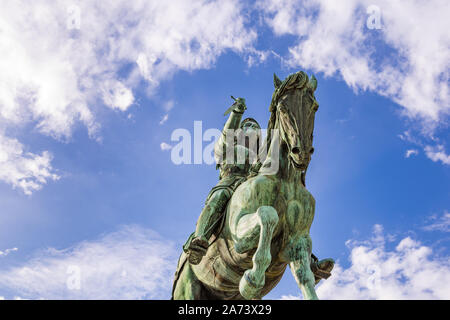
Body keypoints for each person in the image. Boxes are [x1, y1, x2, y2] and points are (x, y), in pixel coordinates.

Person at [184, 97, 261, 265]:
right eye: (248, 125)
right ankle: (200, 240)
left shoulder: (262, 156)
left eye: (256, 127)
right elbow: (228, 132)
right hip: (229, 183)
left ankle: (303, 257)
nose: (253, 128)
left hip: (254, 189)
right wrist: (237, 113)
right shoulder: (228, 146)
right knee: (219, 198)